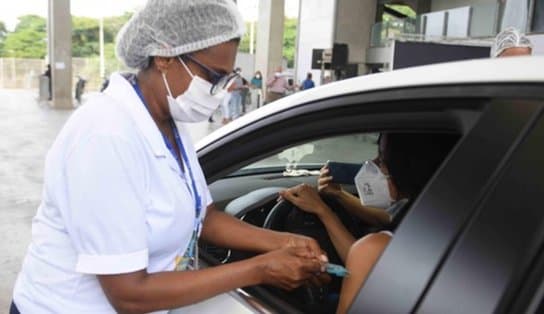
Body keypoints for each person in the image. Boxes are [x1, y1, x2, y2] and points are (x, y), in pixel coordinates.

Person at [10, 1, 329, 314]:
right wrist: (258, 269)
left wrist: (282, 241)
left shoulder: (167, 122)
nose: (219, 92)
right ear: (164, 57)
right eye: (213, 76)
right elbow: (129, 295)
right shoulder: (106, 136)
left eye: (226, 79)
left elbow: (202, 216)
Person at [279, 133, 459, 313]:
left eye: (381, 159)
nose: (373, 163)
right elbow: (385, 218)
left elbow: (366, 263)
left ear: (404, 168)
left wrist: (323, 211)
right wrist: (339, 195)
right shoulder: (444, 217)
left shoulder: (373, 249)